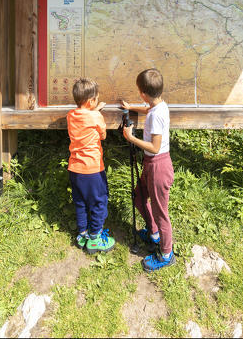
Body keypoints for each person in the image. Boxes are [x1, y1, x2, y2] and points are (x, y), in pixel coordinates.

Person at [121, 68, 175, 271]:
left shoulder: (155, 117)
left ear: (143, 92)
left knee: (162, 213)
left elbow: (154, 146)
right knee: (139, 196)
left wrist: (131, 137)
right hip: (152, 164)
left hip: (158, 166)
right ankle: (153, 234)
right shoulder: (159, 105)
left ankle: (166, 254)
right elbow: (148, 110)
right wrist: (131, 106)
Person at [67, 77, 115, 254]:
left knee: (80, 202)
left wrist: (94, 110)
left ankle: (83, 234)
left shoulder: (71, 115)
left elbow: (84, 116)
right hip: (93, 169)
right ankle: (95, 238)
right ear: (91, 101)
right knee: (98, 202)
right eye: (96, 99)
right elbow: (102, 135)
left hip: (74, 169)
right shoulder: (96, 116)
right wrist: (96, 112)